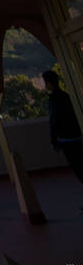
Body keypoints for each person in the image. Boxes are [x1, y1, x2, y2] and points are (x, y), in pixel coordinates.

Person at [43, 69, 83, 202]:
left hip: (67, 140)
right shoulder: (66, 96)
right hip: (77, 137)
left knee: (78, 169)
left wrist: (53, 140)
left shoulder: (54, 99)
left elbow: (54, 121)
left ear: (48, 83)